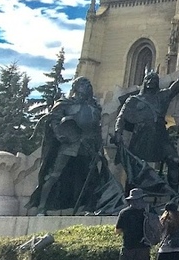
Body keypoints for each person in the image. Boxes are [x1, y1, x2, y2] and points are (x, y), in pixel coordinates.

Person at [28, 76, 123, 215]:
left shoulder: (94, 107)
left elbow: (97, 129)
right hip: (70, 144)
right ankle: (42, 206)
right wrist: (60, 134)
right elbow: (54, 121)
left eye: (89, 83)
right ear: (76, 87)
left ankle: (88, 207)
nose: (87, 86)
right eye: (84, 83)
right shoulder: (65, 103)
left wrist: (99, 148)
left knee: (91, 177)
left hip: (88, 145)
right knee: (55, 174)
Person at [114, 68, 179, 192]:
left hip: (160, 136)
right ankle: (130, 197)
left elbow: (178, 84)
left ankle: (173, 196)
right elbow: (121, 118)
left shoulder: (162, 96)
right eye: (148, 78)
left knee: (174, 160)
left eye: (154, 79)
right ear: (144, 81)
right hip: (141, 137)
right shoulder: (133, 100)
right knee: (134, 168)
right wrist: (118, 132)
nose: (151, 81)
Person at [115, 188, 151, 260]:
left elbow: (117, 230)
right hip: (143, 247)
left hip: (128, 246)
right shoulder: (146, 213)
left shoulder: (124, 213)